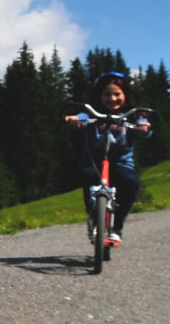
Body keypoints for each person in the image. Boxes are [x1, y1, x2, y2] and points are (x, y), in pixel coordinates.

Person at [63, 71, 151, 247]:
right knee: (89, 179)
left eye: (117, 94)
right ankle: (95, 220)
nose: (112, 98)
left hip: (121, 164)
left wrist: (143, 127)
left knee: (131, 182)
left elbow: (145, 129)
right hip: (94, 163)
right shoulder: (92, 113)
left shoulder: (133, 115)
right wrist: (74, 120)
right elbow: (82, 118)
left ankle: (116, 227)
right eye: (107, 94)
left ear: (125, 94)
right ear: (99, 96)